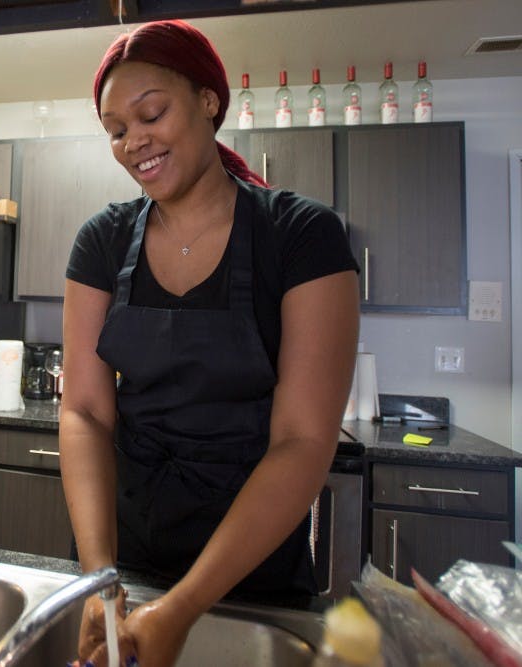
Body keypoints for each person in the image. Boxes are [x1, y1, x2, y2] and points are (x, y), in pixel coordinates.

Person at [60, 20, 360, 667]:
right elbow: (84, 411)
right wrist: (101, 578)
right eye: (116, 130)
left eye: (151, 113)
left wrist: (185, 604)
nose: (133, 141)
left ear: (208, 100)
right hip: (124, 563)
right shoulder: (101, 241)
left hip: (254, 579)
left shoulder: (302, 236)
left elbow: (303, 438)